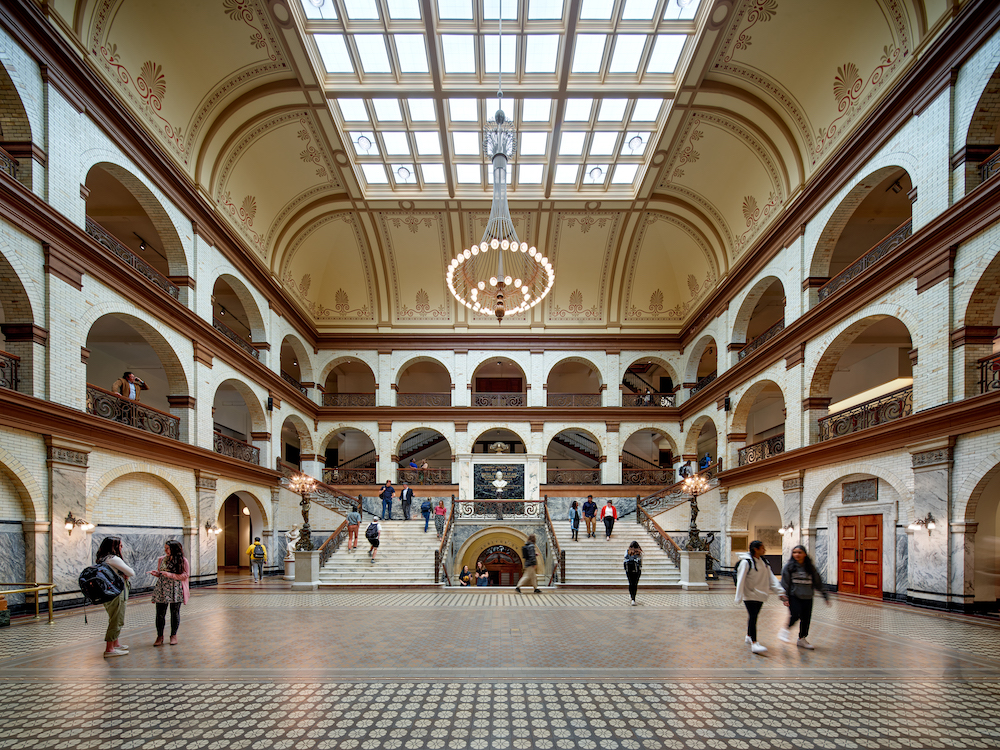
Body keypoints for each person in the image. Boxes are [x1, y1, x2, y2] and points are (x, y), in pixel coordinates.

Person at [735, 540, 787, 654]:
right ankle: (754, 643)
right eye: (762, 548)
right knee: (753, 617)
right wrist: (739, 596)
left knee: (753, 616)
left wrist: (780, 592)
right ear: (756, 549)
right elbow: (740, 579)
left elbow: (771, 579)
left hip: (761, 594)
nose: (765, 550)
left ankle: (749, 636)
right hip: (750, 595)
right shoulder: (746, 562)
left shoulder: (764, 562)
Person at [779, 545, 830, 649]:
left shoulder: (810, 568)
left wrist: (825, 595)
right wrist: (784, 598)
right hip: (794, 596)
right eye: (795, 552)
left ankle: (802, 639)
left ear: (805, 554)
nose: (797, 554)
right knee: (795, 614)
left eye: (799, 552)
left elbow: (818, 582)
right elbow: (785, 583)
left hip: (808, 597)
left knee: (806, 619)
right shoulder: (789, 567)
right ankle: (786, 630)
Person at [96, 536, 134, 658]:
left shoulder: (102, 558)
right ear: (114, 546)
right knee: (117, 619)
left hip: (109, 592)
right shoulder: (113, 559)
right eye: (120, 545)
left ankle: (115, 644)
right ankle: (110, 649)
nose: (122, 547)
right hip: (117, 593)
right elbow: (131, 572)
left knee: (114, 617)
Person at [150, 540, 189, 646]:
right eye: (165, 548)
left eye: (168, 548)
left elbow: (185, 575)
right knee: (160, 613)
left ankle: (173, 635)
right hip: (162, 588)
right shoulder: (161, 559)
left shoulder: (182, 560)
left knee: (174, 612)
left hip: (175, 589)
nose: (166, 550)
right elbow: (161, 572)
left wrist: (170, 575)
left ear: (174, 549)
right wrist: (157, 574)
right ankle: (159, 636)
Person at [624, 541, 643, 606]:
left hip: (629, 570)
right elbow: (640, 562)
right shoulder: (638, 553)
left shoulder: (627, 552)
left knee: (631, 583)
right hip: (635, 570)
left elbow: (625, 559)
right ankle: (633, 598)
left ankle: (632, 597)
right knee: (634, 584)